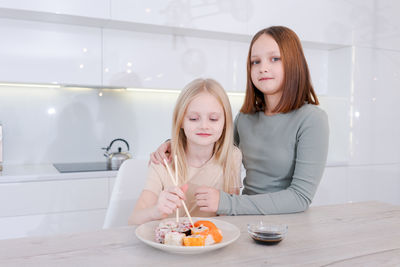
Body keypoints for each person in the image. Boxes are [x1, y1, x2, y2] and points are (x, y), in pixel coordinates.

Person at [150, 26, 329, 215]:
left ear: (294, 63)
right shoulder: (245, 118)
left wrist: (227, 203)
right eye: (255, 62)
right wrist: (172, 144)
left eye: (275, 59)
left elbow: (300, 198)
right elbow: (213, 145)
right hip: (246, 221)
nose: (263, 68)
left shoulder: (312, 119)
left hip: (287, 226)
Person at [129, 78, 242, 225]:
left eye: (213, 119)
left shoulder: (232, 156)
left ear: (225, 123)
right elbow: (133, 220)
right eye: (194, 118)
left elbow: (230, 216)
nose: (204, 126)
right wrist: (156, 211)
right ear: (181, 120)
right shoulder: (163, 161)